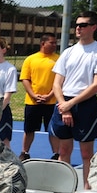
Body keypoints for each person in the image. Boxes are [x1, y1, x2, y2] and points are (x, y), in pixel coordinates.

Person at [49, 10, 97, 191]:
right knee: (64, 151)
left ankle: (87, 192)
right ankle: (60, 190)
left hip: (85, 104)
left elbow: (96, 84)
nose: (78, 28)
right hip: (64, 104)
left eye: (83, 25)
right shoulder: (68, 52)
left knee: (86, 153)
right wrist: (64, 106)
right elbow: (57, 84)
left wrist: (72, 103)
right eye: (76, 25)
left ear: (93, 27)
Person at [20, 33, 61, 161]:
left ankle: (56, 154)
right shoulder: (30, 59)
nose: (55, 45)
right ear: (43, 43)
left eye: (55, 43)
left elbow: (60, 81)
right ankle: (25, 152)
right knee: (29, 129)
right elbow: (25, 79)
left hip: (51, 102)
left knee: (53, 130)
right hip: (33, 102)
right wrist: (33, 95)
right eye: (52, 43)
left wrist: (50, 95)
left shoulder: (58, 59)